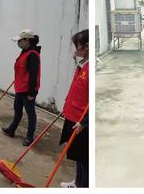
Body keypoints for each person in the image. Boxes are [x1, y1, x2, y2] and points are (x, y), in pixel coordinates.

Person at [60, 29, 89, 188]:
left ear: (86, 47)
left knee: (85, 158)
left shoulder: (90, 69)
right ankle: (78, 182)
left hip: (81, 122)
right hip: (73, 115)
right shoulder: (82, 66)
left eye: (76, 46)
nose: (74, 49)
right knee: (78, 155)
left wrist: (85, 122)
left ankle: (85, 185)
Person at [2, 29, 41, 146]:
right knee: (17, 109)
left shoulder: (32, 54)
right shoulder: (24, 51)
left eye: (20, 41)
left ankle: (30, 136)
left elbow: (33, 75)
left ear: (27, 40)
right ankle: (12, 129)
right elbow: (23, 69)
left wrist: (31, 93)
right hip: (20, 87)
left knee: (30, 113)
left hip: (28, 89)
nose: (18, 43)